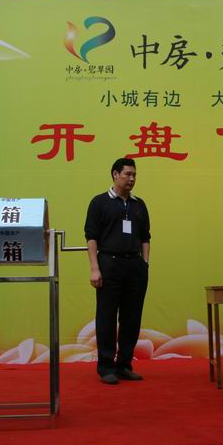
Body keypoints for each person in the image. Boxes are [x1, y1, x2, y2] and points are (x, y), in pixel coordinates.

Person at [84, 158, 151, 385]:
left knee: (132, 317)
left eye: (134, 175)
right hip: (108, 264)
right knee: (107, 317)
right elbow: (91, 237)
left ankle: (124, 365)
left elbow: (145, 237)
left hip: (135, 266)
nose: (131, 179)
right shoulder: (100, 202)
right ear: (115, 174)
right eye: (127, 174)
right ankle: (106, 367)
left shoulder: (139, 204)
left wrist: (145, 264)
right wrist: (95, 268)